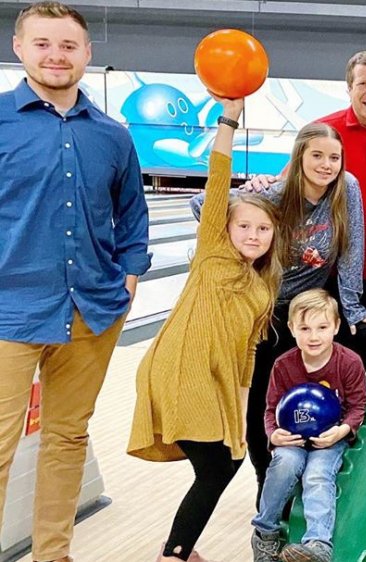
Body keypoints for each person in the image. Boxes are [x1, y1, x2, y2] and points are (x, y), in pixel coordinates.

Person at [0, 4, 149, 561]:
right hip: (10, 309)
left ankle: (53, 555)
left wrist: (131, 279)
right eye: (43, 44)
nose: (55, 56)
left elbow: (132, 216)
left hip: (92, 308)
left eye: (68, 46)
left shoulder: (112, 135)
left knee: (66, 439)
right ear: (19, 47)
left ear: (87, 54)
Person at [127, 95, 284, 562]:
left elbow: (250, 353)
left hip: (216, 382)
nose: (253, 235)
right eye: (245, 227)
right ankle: (174, 554)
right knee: (219, 466)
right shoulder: (213, 254)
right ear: (226, 229)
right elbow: (219, 181)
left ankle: (180, 547)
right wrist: (228, 119)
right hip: (180, 369)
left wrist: (239, 408)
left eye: (263, 230)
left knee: (226, 461)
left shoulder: (262, 288)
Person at [191, 121, 366, 502]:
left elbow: (352, 248)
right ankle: (266, 479)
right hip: (265, 309)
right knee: (262, 401)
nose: (326, 164)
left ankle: (322, 477)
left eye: (333, 157)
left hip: (311, 310)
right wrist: (247, 192)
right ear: (299, 157)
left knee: (339, 375)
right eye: (317, 156)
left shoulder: (346, 189)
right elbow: (200, 206)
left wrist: (352, 308)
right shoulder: (276, 194)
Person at [246, 51, 366, 317]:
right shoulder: (323, 131)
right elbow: (289, 186)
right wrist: (262, 185)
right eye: (362, 84)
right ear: (349, 89)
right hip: (324, 272)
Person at [250, 289, 366, 562]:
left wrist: (343, 430)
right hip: (292, 437)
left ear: (336, 327)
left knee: (316, 475)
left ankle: (317, 545)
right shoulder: (283, 365)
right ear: (292, 329)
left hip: (330, 438)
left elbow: (357, 407)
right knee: (284, 465)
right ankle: (265, 533)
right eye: (305, 328)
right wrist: (274, 434)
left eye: (322, 327)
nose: (314, 336)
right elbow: (270, 409)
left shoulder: (349, 363)